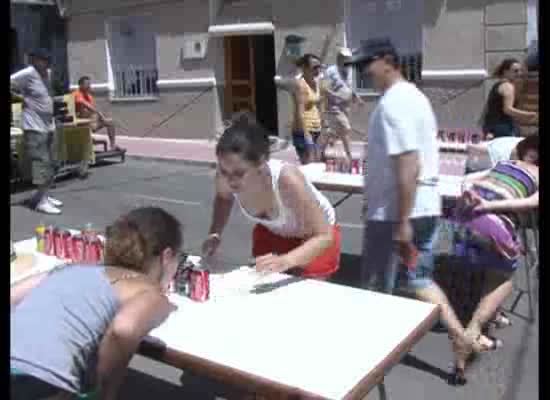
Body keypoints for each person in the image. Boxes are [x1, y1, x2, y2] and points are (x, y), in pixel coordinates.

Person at [352, 38, 473, 384]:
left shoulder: (394, 103)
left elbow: (409, 163)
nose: (362, 71)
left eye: (366, 64)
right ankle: (461, 337)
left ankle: (367, 366)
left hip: (394, 212)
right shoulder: (414, 97)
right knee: (418, 278)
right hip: (420, 205)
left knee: (375, 289)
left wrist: (401, 222)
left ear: (388, 60)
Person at [11, 207, 183, 400]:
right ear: (167, 257)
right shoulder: (149, 292)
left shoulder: (74, 268)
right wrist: (105, 394)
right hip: (33, 384)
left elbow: (12, 295)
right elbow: (123, 330)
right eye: (180, 258)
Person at [202, 114, 341, 279]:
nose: (230, 180)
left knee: (307, 295)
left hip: (316, 236)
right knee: (261, 287)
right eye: (224, 171)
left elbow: (324, 235)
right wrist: (215, 233)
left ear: (261, 162)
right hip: (274, 232)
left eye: (239, 173)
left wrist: (287, 260)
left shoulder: (287, 180)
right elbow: (224, 199)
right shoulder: (225, 175)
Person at [448, 134, 539, 380]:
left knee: (492, 266)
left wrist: (469, 195)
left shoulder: (503, 165)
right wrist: (489, 207)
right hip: (493, 223)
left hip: (462, 219)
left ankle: (473, 338)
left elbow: (467, 178)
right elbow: (532, 202)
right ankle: (471, 332)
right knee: (505, 278)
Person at [10, 48, 63, 215]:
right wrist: (21, 98)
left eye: (48, 60)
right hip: (34, 125)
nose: (46, 63)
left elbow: (46, 95)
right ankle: (40, 201)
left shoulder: (48, 72)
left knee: (53, 162)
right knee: (41, 163)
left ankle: (43, 194)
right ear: (35, 60)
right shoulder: (27, 73)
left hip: (49, 124)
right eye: (43, 60)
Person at [319, 47, 365, 167]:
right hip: (334, 107)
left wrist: (357, 97)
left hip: (345, 107)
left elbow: (349, 88)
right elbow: (324, 88)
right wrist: (336, 96)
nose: (347, 60)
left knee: (339, 132)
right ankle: (349, 157)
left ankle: (322, 150)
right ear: (339, 58)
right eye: (345, 58)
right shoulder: (331, 71)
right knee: (346, 128)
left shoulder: (348, 70)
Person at [480, 58, 538, 139]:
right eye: (515, 71)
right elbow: (508, 109)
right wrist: (529, 115)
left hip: (491, 127)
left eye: (520, 70)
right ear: (505, 72)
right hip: (503, 128)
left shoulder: (498, 85)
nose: (519, 73)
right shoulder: (508, 86)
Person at [74, 76, 125, 152]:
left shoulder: (89, 96)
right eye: (87, 84)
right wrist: (99, 114)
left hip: (90, 122)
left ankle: (113, 146)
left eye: (89, 84)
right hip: (79, 123)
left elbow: (91, 112)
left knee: (110, 122)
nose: (89, 86)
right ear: (81, 85)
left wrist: (101, 118)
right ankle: (89, 137)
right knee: (95, 115)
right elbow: (86, 105)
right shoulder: (77, 94)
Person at [290, 54, 323, 165]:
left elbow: (317, 105)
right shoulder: (300, 85)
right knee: (309, 166)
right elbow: (300, 112)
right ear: (305, 68)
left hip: (316, 128)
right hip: (304, 131)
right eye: (314, 68)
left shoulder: (316, 83)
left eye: (319, 67)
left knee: (318, 163)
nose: (318, 70)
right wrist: (307, 135)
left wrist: (324, 124)